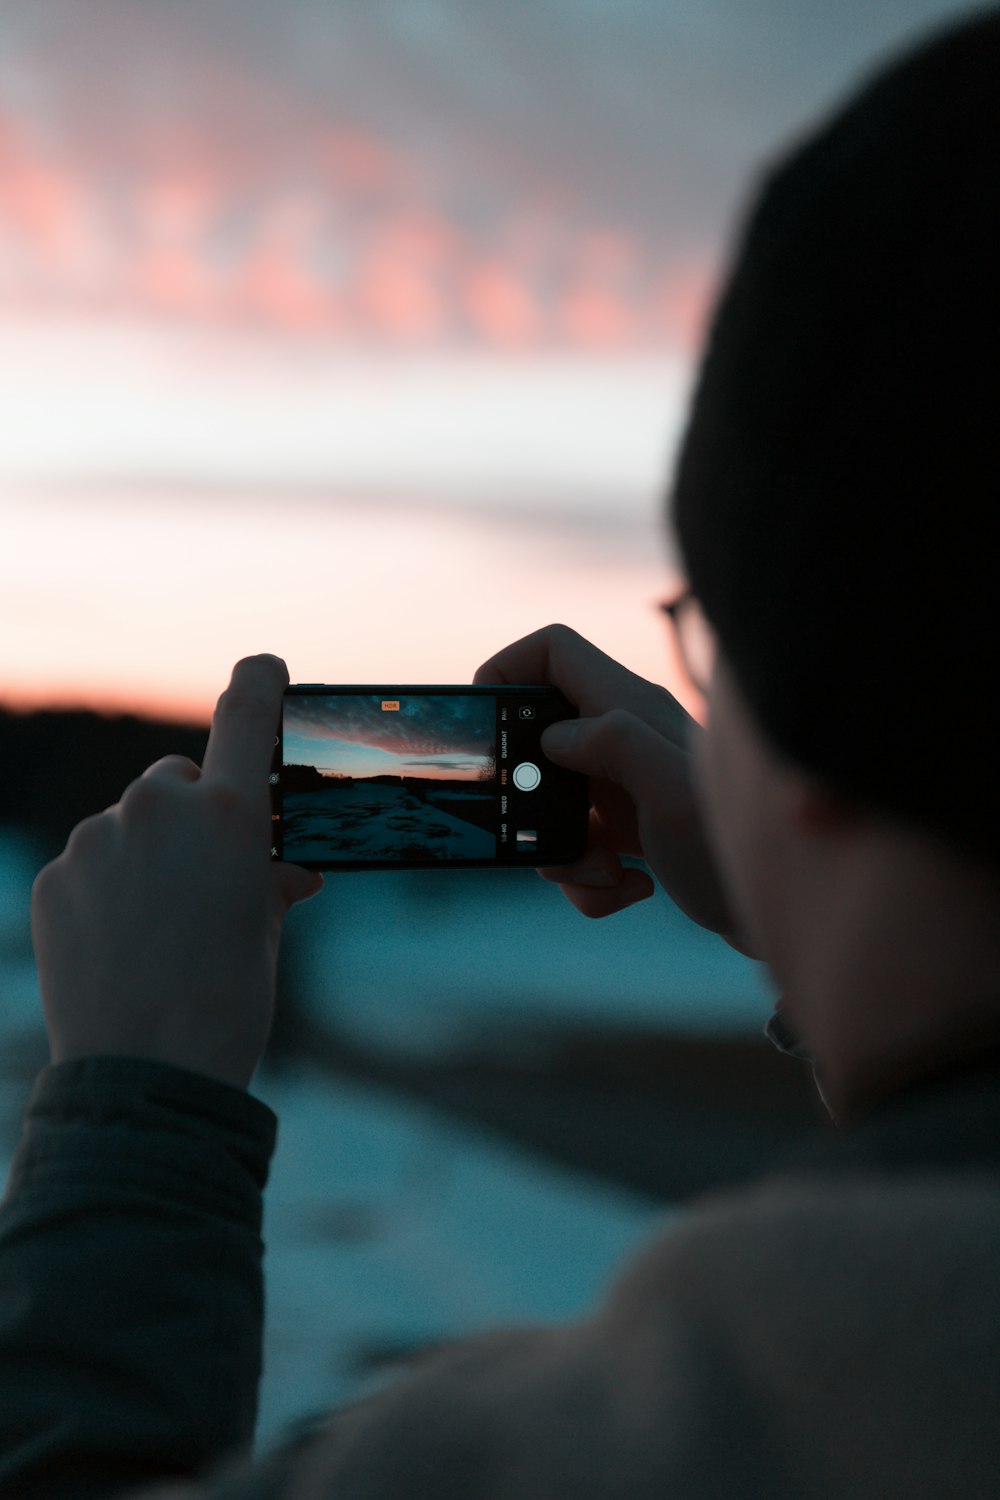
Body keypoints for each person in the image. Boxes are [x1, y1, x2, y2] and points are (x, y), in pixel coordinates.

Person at [3, 8, 1000, 1496]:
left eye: (710, 644)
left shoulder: (632, 1444)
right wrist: (805, 900)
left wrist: (138, 1102)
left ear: (816, 722)